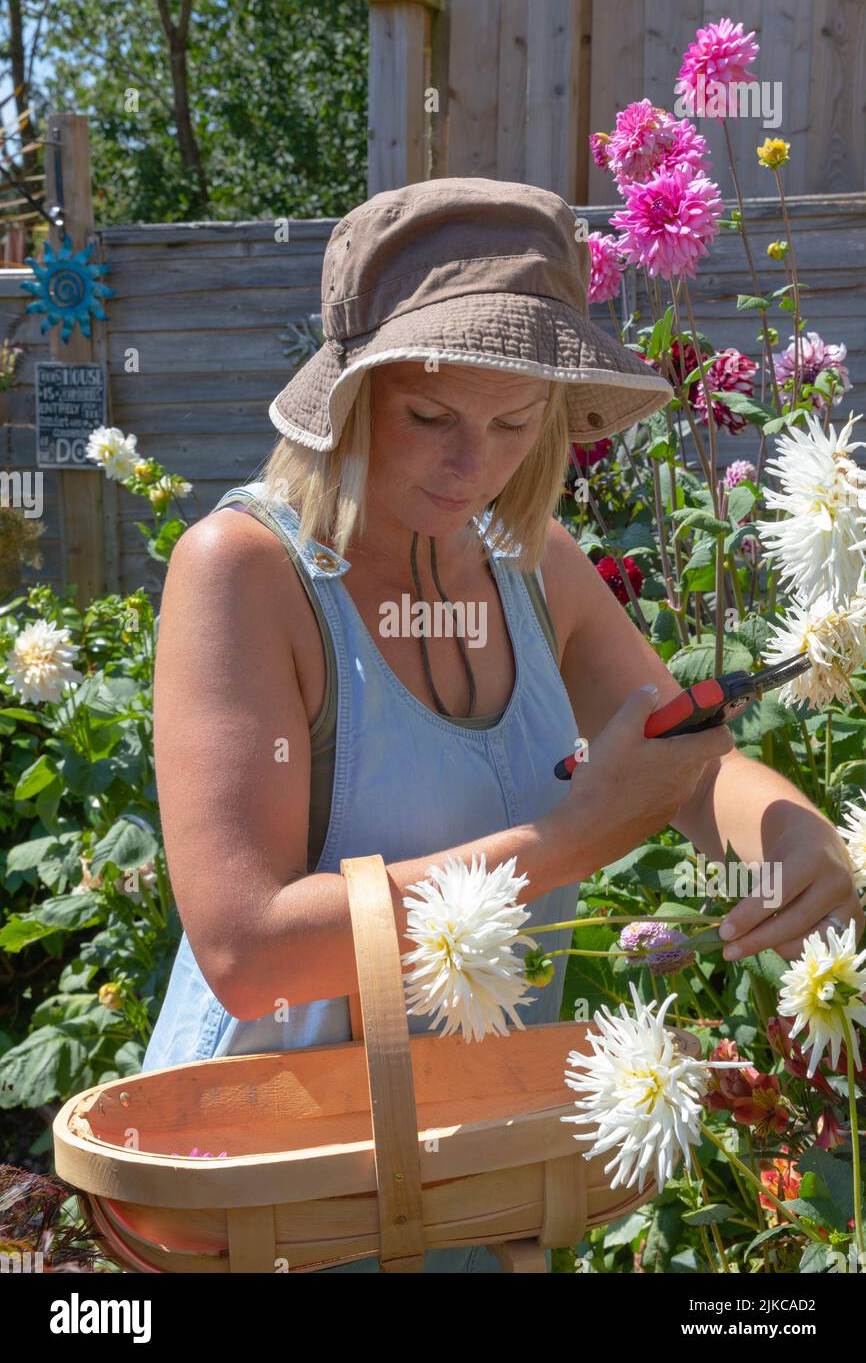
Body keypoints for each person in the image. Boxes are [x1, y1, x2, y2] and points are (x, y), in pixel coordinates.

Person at [141, 177, 863, 1273]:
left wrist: (796, 836)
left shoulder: (535, 572)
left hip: (473, 1178)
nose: (470, 463)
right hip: (264, 1186)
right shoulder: (244, 571)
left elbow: (688, 761)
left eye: (513, 424)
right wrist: (566, 843)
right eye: (429, 416)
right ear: (350, 396)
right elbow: (246, 950)